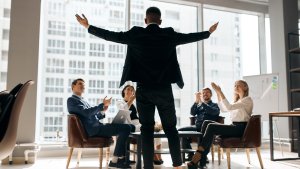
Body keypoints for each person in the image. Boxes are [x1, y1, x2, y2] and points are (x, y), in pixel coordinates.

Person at [75, 7, 218, 169]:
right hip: (164, 90)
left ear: (145, 20)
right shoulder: (168, 34)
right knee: (171, 128)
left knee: (147, 129)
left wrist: (88, 26)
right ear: (160, 21)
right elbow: (189, 37)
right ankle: (177, 165)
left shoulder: (136, 34)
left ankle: (148, 167)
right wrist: (208, 33)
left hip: (144, 90)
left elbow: (113, 36)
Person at [67, 78, 135, 169]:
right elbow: (86, 113)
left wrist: (102, 111)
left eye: (83, 84)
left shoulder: (84, 100)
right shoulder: (71, 100)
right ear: (73, 86)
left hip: (97, 126)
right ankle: (115, 161)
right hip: (93, 130)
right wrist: (101, 106)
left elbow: (92, 116)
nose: (82, 86)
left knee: (130, 127)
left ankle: (121, 159)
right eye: (80, 84)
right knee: (126, 128)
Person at [187, 80, 253, 169]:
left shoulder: (247, 100)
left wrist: (219, 91)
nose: (236, 87)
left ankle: (198, 156)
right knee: (207, 122)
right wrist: (218, 94)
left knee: (211, 126)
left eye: (238, 85)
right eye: (235, 86)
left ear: (245, 87)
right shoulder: (237, 101)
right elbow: (224, 109)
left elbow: (229, 107)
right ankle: (201, 161)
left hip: (240, 128)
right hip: (234, 126)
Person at [116, 84, 164, 165]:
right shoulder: (119, 102)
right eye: (128, 89)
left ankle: (158, 155)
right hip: (130, 125)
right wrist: (132, 99)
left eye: (132, 90)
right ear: (124, 91)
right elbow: (124, 110)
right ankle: (153, 155)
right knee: (149, 128)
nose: (130, 91)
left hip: (139, 123)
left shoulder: (135, 103)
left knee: (157, 130)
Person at [178, 87, 220, 161]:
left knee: (203, 135)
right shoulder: (199, 105)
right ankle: (190, 155)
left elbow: (214, 112)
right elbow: (192, 113)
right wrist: (196, 101)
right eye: (203, 93)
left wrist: (202, 103)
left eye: (207, 92)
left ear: (211, 94)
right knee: (180, 131)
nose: (205, 94)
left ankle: (203, 156)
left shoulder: (215, 105)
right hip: (197, 127)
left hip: (208, 128)